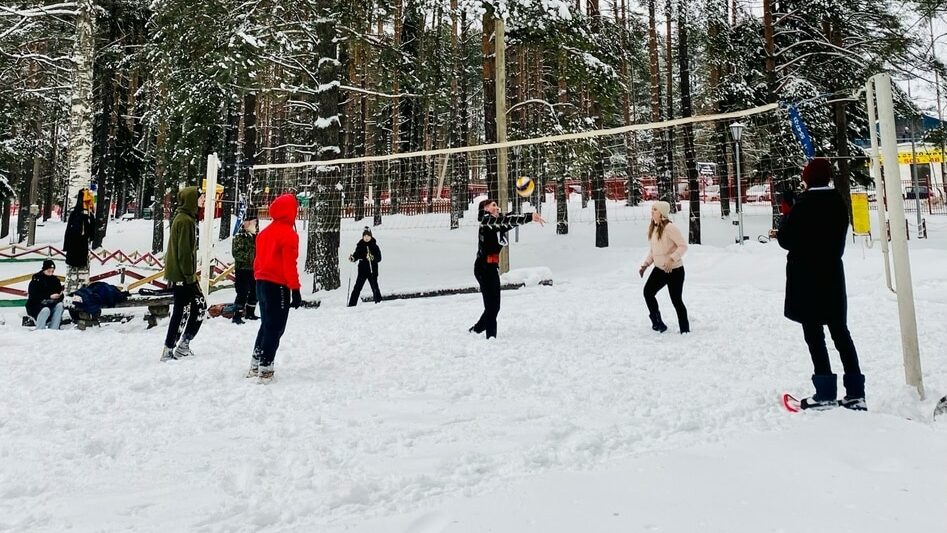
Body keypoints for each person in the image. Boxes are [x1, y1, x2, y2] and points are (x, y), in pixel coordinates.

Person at [777, 158, 866, 411]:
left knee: (814, 334)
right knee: (841, 334)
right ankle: (856, 393)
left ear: (807, 178)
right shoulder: (838, 202)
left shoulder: (804, 205)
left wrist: (787, 213)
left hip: (807, 278)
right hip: (832, 276)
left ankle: (825, 392)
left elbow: (786, 239)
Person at [470, 198, 545, 339]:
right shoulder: (486, 222)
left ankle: (476, 330)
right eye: (493, 205)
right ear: (485, 209)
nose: (497, 207)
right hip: (482, 268)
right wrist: (528, 217)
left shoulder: (498, 222)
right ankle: (491, 337)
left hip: (492, 268)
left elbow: (508, 221)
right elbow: (505, 223)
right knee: (491, 307)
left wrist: (530, 216)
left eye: (497, 205)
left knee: (495, 306)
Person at [248, 193, 302, 382]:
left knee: (266, 324)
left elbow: (258, 260)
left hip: (261, 282)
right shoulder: (288, 234)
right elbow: (289, 264)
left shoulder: (264, 233)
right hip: (277, 285)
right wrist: (295, 289)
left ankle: (255, 363)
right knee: (276, 327)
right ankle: (266, 366)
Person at [160, 186, 207, 362]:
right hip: (183, 276)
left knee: (191, 308)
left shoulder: (185, 218)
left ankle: (179, 345)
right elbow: (184, 252)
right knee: (190, 309)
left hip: (182, 275)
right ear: (191, 200)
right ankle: (173, 347)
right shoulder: (185, 221)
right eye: (200, 197)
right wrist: (189, 277)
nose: (203, 200)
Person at [638, 201, 689, 334]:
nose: (652, 212)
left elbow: (683, 246)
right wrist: (645, 265)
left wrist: (672, 259)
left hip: (674, 271)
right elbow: (653, 251)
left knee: (676, 300)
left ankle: (685, 329)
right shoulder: (654, 228)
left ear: (662, 213)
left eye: (655, 210)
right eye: (652, 209)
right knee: (648, 292)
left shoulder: (670, 228)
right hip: (660, 270)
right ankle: (658, 323)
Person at [63, 188, 97, 295]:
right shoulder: (75, 214)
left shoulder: (89, 215)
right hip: (74, 247)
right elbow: (69, 231)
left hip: (82, 247)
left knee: (80, 270)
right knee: (73, 270)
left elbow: (92, 231)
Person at [231, 209, 259, 324]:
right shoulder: (240, 236)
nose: (254, 224)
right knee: (242, 292)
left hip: (254, 269)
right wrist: (251, 257)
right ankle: (237, 315)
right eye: (252, 222)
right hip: (242, 269)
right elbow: (236, 253)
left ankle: (250, 312)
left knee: (254, 292)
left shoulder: (256, 236)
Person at [347, 227, 383, 306]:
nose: (366, 238)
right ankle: (352, 304)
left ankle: (379, 302)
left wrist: (373, 258)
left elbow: (379, 258)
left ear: (371, 236)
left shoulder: (374, 246)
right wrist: (353, 258)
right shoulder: (360, 245)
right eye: (365, 236)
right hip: (362, 270)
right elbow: (356, 255)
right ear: (363, 236)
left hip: (372, 270)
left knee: (375, 287)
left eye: (368, 236)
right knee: (357, 288)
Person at [26, 259, 65, 330]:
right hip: (37, 305)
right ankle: (40, 330)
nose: (50, 273)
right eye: (48, 271)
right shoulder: (36, 279)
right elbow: (34, 295)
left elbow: (59, 292)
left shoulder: (55, 280)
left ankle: (54, 329)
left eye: (52, 271)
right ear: (44, 269)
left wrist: (59, 296)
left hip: (51, 304)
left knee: (60, 306)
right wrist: (49, 296)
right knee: (46, 310)